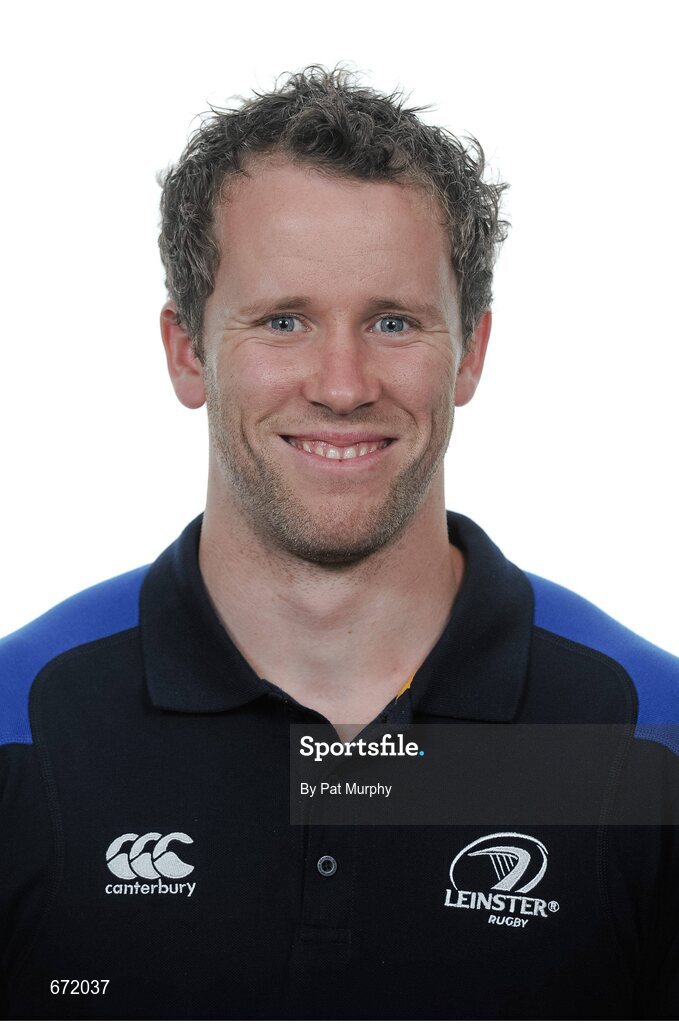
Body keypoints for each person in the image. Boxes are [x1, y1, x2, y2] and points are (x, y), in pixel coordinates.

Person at [1, 65, 678, 1022]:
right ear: (186, 350)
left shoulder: (648, 733)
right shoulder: (20, 722)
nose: (342, 382)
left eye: (393, 321)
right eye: (284, 320)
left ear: (471, 352)